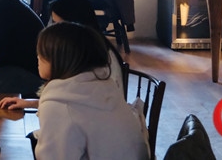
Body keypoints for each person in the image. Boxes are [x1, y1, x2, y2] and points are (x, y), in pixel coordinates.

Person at [21, 22, 150, 160]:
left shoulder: (59, 106)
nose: (38, 57)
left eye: (43, 53)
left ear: (62, 59)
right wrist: (32, 104)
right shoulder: (103, 86)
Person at [0, 0, 125, 110]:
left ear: (75, 25)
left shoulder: (94, 57)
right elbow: (72, 100)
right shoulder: (88, 47)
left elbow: (84, 105)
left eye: (57, 24)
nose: (53, 29)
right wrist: (30, 103)